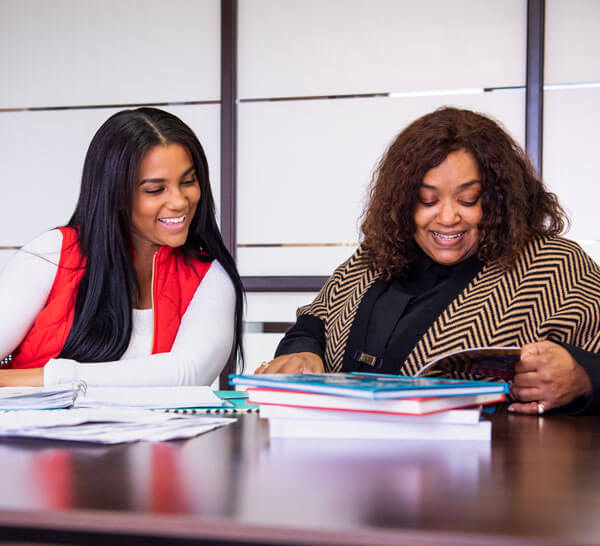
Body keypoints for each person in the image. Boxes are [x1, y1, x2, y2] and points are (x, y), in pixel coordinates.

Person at [257, 107, 600, 415]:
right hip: (346, 468)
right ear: (403, 201)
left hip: (488, 474)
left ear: (499, 200)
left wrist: (584, 378)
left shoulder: (554, 265)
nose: (448, 217)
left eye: (468, 200)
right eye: (427, 200)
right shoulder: (373, 257)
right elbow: (314, 323)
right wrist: (303, 354)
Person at [0, 107, 244, 388]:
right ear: (115, 194)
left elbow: (187, 374)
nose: (179, 201)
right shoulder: (51, 254)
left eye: (188, 181)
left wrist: (39, 378)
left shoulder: (209, 276)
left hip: (156, 433)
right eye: (155, 189)